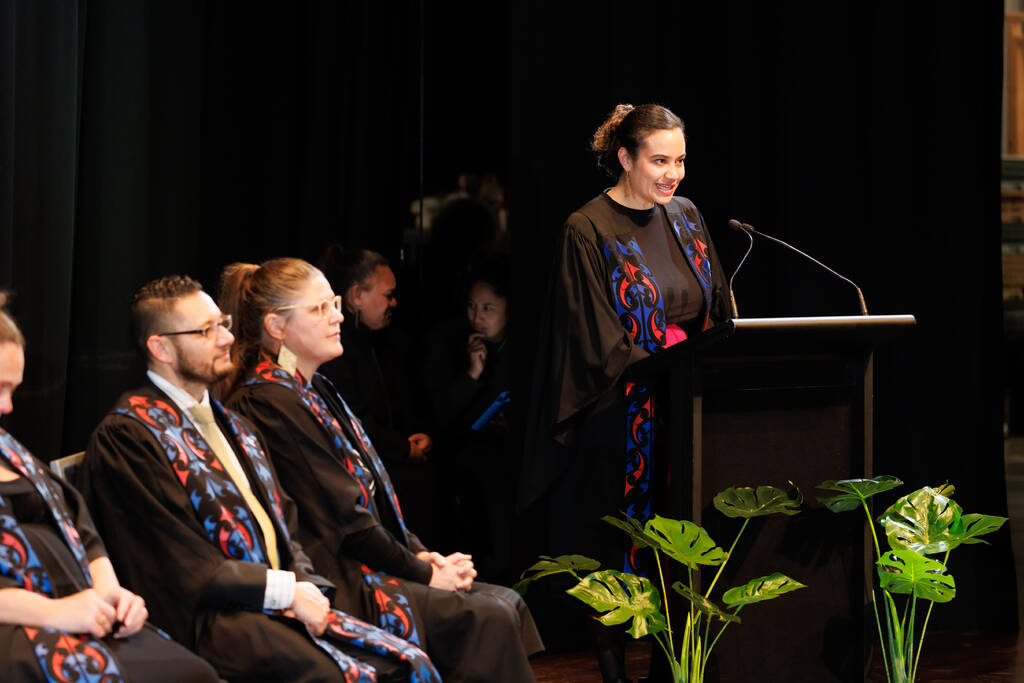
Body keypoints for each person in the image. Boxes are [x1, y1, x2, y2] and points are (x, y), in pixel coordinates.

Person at [78, 276, 439, 683]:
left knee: (409, 661)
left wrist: (304, 585)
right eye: (205, 330)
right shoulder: (129, 437)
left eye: (223, 324)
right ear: (160, 348)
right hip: (210, 622)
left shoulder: (235, 424)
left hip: (273, 604)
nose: (225, 338)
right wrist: (286, 591)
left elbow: (287, 524)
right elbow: (180, 560)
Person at [218, 257, 543, 683]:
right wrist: (425, 571)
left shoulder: (314, 387)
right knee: (489, 614)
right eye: (319, 309)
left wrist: (421, 554)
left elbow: (372, 498)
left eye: (334, 304)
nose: (337, 316)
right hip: (337, 577)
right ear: (277, 326)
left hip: (363, 558)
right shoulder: (269, 401)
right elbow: (347, 522)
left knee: (509, 603)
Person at [519, 103, 730, 682]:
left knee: (681, 544)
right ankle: (613, 673)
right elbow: (594, 338)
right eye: (659, 161)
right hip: (622, 417)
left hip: (686, 410)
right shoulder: (587, 228)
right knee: (616, 551)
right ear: (625, 158)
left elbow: (716, 306)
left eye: (680, 161)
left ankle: (671, 669)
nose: (672, 174)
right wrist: (668, 366)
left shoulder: (686, 216)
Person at [0, 292, 220, 682]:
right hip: (19, 627)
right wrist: (55, 612)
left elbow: (78, 523)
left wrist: (111, 592)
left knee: (196, 671)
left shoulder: (8, 448)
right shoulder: (127, 432)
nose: (8, 407)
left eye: (12, 390)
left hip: (79, 608)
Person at [317, 247, 445, 548]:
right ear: (356, 296)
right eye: (387, 295)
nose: (394, 303)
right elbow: (353, 420)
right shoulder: (337, 351)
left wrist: (419, 438)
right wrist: (402, 448)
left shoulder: (388, 343)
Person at [422, 256, 515, 582]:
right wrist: (472, 374)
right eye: (472, 307)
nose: (477, 317)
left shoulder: (519, 352)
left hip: (506, 466)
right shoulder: (454, 344)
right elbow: (441, 413)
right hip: (465, 464)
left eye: (488, 308)